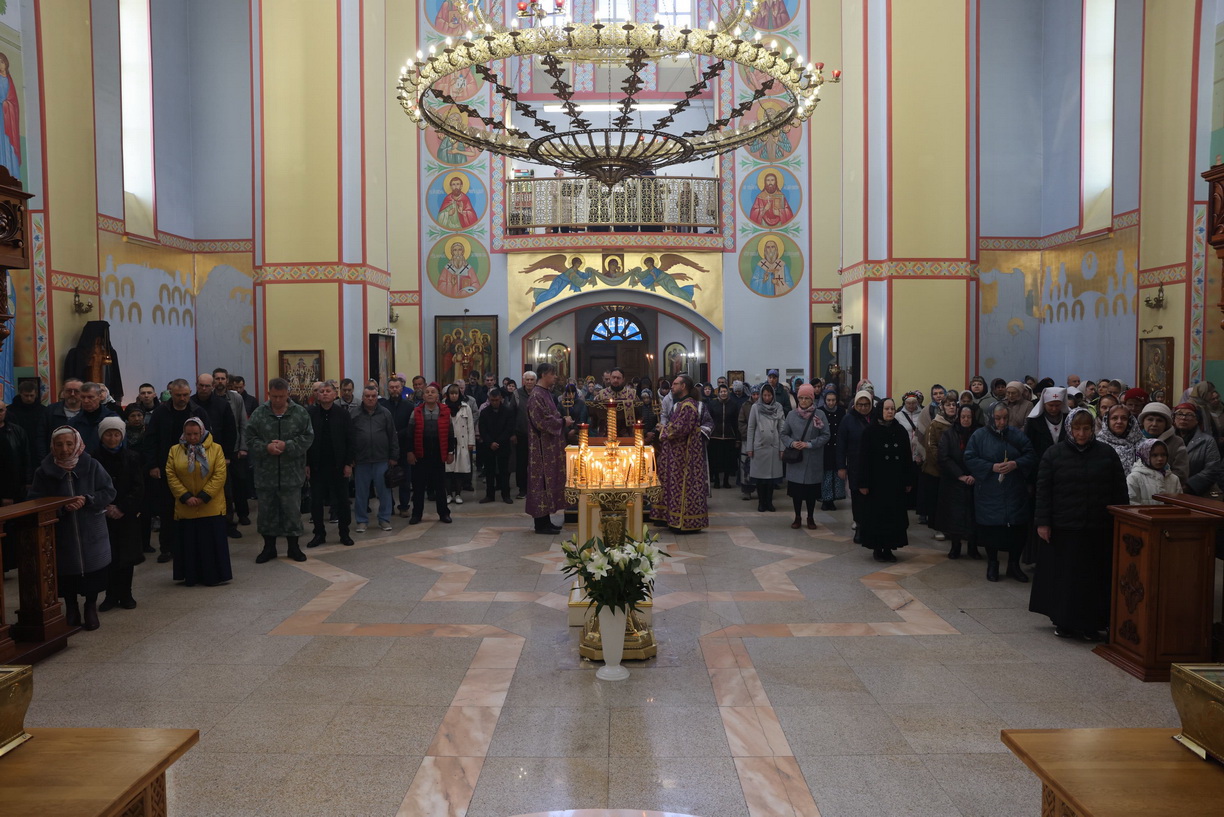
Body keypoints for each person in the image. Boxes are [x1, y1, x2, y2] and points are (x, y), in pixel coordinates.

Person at [1030, 408, 1128, 640]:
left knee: (1094, 579)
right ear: (1069, 429)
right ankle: (1064, 622)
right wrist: (1043, 523)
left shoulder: (1106, 453)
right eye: (1077, 429)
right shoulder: (1054, 454)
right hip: (1065, 527)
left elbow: (1119, 491)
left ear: (1093, 429)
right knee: (1066, 578)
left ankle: (1092, 624)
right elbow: (1043, 491)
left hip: (1098, 527)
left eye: (1086, 428)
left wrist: (1121, 520)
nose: (1082, 434)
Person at [29, 427, 116, 631]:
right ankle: (71, 607)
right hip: (62, 533)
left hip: (91, 531)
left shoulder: (92, 465)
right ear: (52, 446)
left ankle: (90, 607)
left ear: (77, 444)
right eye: (59, 445)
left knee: (93, 573)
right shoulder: (43, 471)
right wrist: (61, 507)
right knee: (66, 574)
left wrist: (88, 499)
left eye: (69, 444)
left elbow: (109, 491)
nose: (64, 449)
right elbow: (34, 501)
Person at [964, 403, 1035, 580]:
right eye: (997, 418)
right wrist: (991, 467)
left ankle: (1013, 565)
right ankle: (993, 563)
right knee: (992, 531)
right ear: (990, 418)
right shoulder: (979, 436)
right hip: (989, 492)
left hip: (1014, 491)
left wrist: (1015, 464)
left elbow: (1031, 455)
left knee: (1017, 530)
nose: (1002, 422)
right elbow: (969, 458)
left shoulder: (1017, 434)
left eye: (1005, 418)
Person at [143, 379, 210, 564]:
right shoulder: (160, 413)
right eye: (178, 395)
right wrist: (152, 465)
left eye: (185, 395)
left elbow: (208, 439)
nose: (182, 398)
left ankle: (191, 546)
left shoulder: (198, 412)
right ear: (171, 393)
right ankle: (167, 548)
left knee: (192, 507)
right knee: (167, 510)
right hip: (167, 467)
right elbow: (150, 440)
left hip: (193, 469)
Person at [247, 378, 314, 563]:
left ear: (287, 394)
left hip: (291, 474)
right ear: (269, 394)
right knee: (266, 512)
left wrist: (288, 446)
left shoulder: (299, 413)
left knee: (292, 512)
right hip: (265, 474)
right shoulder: (259, 414)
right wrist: (265, 447)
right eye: (274, 396)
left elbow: (308, 437)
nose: (277, 400)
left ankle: (294, 547)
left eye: (281, 396)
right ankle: (269, 548)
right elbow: (250, 438)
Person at [165, 417, 231, 587]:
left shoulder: (216, 449)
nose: (192, 438)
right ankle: (191, 576)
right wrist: (185, 496)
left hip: (211, 505)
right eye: (188, 434)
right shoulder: (175, 450)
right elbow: (171, 475)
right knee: (189, 544)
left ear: (202, 432)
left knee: (210, 544)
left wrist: (204, 496)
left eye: (195, 434)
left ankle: (213, 576)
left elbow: (220, 474)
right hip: (186, 506)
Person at [855, 398, 917, 562]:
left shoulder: (900, 430)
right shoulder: (870, 431)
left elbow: (906, 457)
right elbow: (863, 459)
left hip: (895, 482)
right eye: (887, 409)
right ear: (880, 410)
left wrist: (908, 480)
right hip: (876, 483)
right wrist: (863, 483)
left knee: (893, 517)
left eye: (892, 409)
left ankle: (889, 548)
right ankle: (877, 548)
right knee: (877, 516)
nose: (890, 412)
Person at [93, 416, 144, 610]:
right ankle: (110, 595)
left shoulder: (132, 457)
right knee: (109, 556)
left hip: (126, 514)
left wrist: (122, 507)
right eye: (108, 434)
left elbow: (138, 487)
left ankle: (126, 594)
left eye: (116, 434)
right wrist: (105, 506)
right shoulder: (93, 458)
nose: (112, 439)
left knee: (126, 556)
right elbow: (92, 486)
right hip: (103, 514)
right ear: (101, 436)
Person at [306, 380, 355, 547]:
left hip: (339, 465)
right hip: (317, 466)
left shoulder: (343, 414)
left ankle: (344, 533)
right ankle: (319, 533)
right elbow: (306, 440)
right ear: (317, 395)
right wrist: (306, 463)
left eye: (328, 391)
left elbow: (350, 440)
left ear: (335, 394)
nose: (325, 394)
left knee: (342, 501)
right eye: (322, 391)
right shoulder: (310, 414)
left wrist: (348, 463)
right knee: (316, 501)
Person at [657, 374, 709, 532]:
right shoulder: (682, 404)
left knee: (683, 488)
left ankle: (684, 522)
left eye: (675, 384)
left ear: (683, 386)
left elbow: (680, 428)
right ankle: (674, 519)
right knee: (676, 487)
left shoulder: (688, 406)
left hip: (684, 456)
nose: (672, 387)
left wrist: (663, 429)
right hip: (678, 454)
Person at [525, 363, 568, 535]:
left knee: (547, 482)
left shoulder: (546, 393)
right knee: (541, 482)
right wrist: (563, 422)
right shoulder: (536, 395)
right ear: (544, 375)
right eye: (552, 373)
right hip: (541, 448)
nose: (555, 376)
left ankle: (546, 521)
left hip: (549, 446)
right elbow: (541, 421)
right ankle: (540, 524)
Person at [781, 384, 831, 530]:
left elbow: (826, 435)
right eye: (801, 398)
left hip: (813, 459)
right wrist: (792, 443)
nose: (803, 401)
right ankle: (797, 517)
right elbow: (784, 434)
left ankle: (810, 517)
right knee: (796, 493)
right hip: (796, 459)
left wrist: (810, 444)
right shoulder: (791, 415)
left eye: (807, 398)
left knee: (811, 493)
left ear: (812, 399)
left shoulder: (819, 415)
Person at [936, 404, 981, 560]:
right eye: (963, 417)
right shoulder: (949, 434)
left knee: (974, 516)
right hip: (953, 482)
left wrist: (974, 475)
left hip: (975, 481)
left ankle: (973, 547)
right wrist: (960, 475)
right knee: (954, 516)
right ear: (958, 417)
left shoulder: (980, 433)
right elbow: (943, 457)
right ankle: (955, 547)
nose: (966, 420)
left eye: (969, 417)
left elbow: (984, 455)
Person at [351, 385, 398, 532]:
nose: (370, 399)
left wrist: (394, 456)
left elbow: (392, 435)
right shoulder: (354, 414)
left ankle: (384, 519)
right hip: (361, 460)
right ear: (362, 397)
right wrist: (350, 457)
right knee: (361, 493)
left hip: (381, 459)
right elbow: (349, 437)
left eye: (373, 396)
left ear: (377, 397)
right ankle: (361, 520)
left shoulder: (385, 413)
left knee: (384, 491)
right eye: (367, 396)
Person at [407, 383, 456, 524]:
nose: (429, 394)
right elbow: (410, 434)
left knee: (440, 486)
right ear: (423, 396)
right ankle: (416, 514)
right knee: (418, 487)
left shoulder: (445, 411)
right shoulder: (416, 412)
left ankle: (444, 513)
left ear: (437, 396)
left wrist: (450, 452)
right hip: (420, 454)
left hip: (438, 454)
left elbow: (450, 434)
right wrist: (410, 452)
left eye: (432, 392)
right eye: (427, 392)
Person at [837, 390, 875, 543]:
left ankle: (871, 527)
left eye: (866, 405)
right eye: (860, 404)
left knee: (872, 498)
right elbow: (841, 444)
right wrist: (841, 466)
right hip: (855, 465)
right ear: (855, 404)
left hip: (874, 466)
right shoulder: (848, 419)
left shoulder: (876, 418)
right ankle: (859, 526)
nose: (863, 408)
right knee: (858, 499)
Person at [920, 398, 958, 540]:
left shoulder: (958, 424)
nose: (951, 407)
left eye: (954, 405)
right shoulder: (935, 425)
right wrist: (945, 465)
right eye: (948, 405)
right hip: (937, 471)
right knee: (936, 502)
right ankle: (938, 528)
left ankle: (951, 527)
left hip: (954, 471)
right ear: (942, 407)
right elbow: (931, 448)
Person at [745, 382, 786, 512]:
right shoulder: (755, 407)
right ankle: (761, 502)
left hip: (774, 446)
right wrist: (749, 448)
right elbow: (751, 428)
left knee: (771, 479)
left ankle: (769, 502)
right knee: (760, 478)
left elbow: (782, 428)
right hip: (759, 446)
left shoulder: (778, 407)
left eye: (769, 395)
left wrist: (782, 448)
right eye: (765, 395)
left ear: (773, 395)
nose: (767, 398)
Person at [380, 376, 415, 518]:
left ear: (401, 388)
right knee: (386, 479)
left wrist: (397, 433)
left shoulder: (409, 406)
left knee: (405, 479)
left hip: (404, 447)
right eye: (392, 387)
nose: (394, 390)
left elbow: (412, 427)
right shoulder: (382, 406)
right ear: (388, 389)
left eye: (397, 387)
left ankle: (404, 506)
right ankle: (389, 505)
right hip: (386, 448)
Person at [1173, 402, 1223, 495]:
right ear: (1174, 419)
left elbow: (1212, 469)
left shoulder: (1207, 441)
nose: (1183, 418)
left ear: (1197, 420)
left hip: (1197, 493)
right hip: (1169, 490)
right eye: (1179, 414)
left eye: (1189, 415)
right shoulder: (1168, 439)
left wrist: (1188, 486)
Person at [1137, 402, 1189, 484]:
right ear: (1143, 421)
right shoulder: (1135, 440)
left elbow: (1181, 473)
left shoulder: (1177, 442)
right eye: (1150, 419)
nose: (1154, 424)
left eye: (1159, 420)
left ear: (1166, 424)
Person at [477, 387, 514, 504]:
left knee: (504, 472)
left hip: (503, 445)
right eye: (492, 400)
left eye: (496, 400)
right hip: (488, 446)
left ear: (501, 399)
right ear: (489, 399)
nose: (494, 402)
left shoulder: (508, 411)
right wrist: (490, 442)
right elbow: (482, 429)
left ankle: (506, 495)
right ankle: (489, 495)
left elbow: (509, 429)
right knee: (489, 472)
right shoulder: (484, 412)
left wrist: (498, 442)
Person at [8, 381, 48, 479]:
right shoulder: (10, 411)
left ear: (36, 394)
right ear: (20, 394)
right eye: (26, 395)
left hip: (37, 449)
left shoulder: (43, 411)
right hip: (17, 448)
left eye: (31, 395)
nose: (29, 398)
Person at [443, 383, 476, 505]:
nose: (454, 396)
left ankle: (458, 494)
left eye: (456, 393)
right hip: (448, 441)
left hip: (462, 442)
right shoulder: (443, 406)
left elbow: (470, 426)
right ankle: (448, 494)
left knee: (459, 470)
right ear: (448, 395)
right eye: (451, 393)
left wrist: (471, 442)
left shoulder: (465, 407)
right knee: (448, 469)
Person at [1127, 438, 1181, 504]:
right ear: (1145, 455)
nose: (1160, 459)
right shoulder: (1134, 478)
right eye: (1155, 455)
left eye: (1163, 455)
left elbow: (1180, 503)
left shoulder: (1174, 479)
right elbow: (1131, 502)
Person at [68, 382, 119, 452]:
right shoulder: (74, 422)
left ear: (99, 397)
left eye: (90, 397)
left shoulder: (112, 419)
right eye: (83, 397)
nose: (86, 401)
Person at [708, 384, 740, 489]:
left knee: (728, 461)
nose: (723, 393)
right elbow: (709, 420)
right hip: (715, 437)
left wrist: (738, 439)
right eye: (721, 391)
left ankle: (726, 481)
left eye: (725, 391)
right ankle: (717, 481)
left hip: (729, 437)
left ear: (728, 392)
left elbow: (736, 422)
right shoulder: (712, 404)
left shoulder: (734, 405)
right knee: (715, 461)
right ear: (718, 393)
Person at [512, 371, 538, 499]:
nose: (529, 382)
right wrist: (513, 433)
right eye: (527, 379)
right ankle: (522, 489)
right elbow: (511, 414)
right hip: (521, 434)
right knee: (521, 463)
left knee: (535, 463)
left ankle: (535, 488)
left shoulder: (539, 393)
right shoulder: (516, 394)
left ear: (535, 381)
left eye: (531, 380)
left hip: (537, 435)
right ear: (524, 381)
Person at [819, 387, 846, 510]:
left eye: (833, 400)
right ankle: (826, 499)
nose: (831, 403)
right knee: (826, 475)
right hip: (825, 447)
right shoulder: (820, 411)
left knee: (836, 474)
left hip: (837, 446)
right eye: (828, 400)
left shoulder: (841, 411)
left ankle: (834, 498)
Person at [1095, 403, 1143, 470]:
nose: (1119, 421)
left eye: (1124, 418)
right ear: (1107, 421)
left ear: (1130, 421)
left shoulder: (1142, 444)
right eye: (1114, 418)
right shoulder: (1097, 445)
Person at [737, 385, 760, 501]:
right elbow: (741, 422)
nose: (756, 396)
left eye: (758, 394)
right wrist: (749, 433)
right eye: (754, 394)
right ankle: (746, 490)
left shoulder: (765, 406)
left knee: (760, 465)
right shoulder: (745, 405)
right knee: (745, 465)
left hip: (761, 440)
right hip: (747, 439)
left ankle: (761, 490)